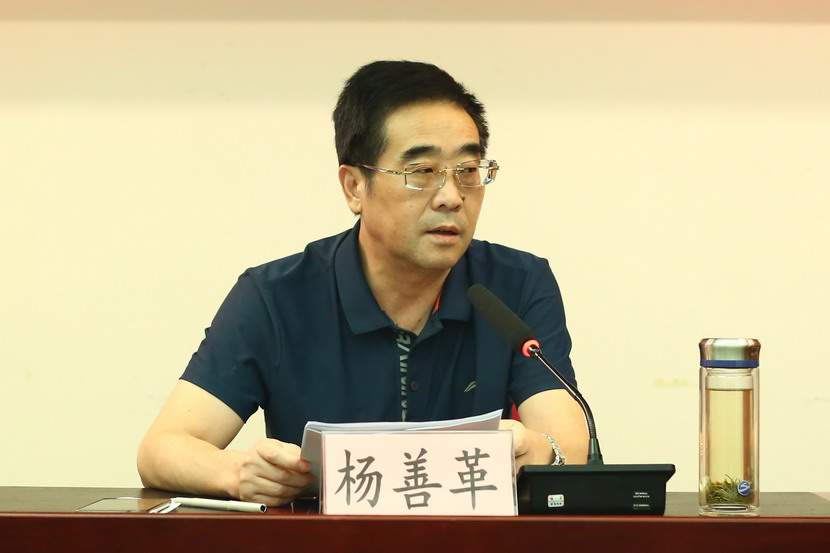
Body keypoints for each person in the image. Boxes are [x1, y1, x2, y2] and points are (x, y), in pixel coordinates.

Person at [137, 60, 589, 506]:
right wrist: (239, 473)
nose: (452, 197)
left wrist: (540, 450)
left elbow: (568, 440)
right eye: (422, 172)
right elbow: (162, 449)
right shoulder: (277, 296)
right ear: (354, 186)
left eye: (468, 171)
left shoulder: (516, 285)